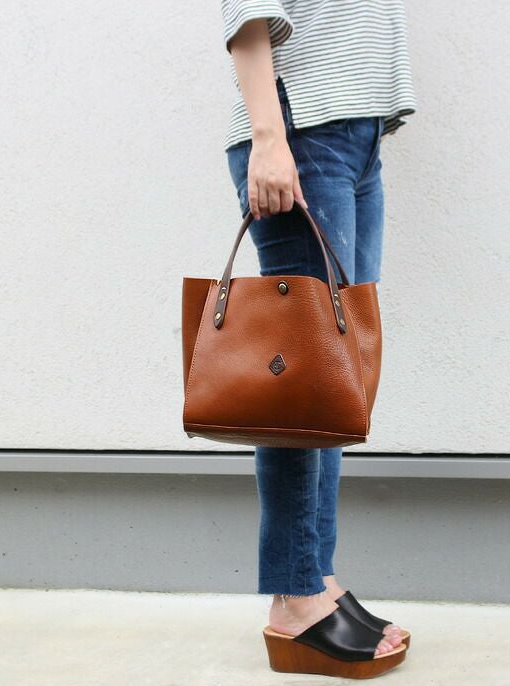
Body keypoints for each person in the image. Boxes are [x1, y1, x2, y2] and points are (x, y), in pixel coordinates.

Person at [221, 0, 417, 676]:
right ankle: (295, 595)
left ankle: (316, 578)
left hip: (354, 139)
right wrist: (269, 138)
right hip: (303, 133)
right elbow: (247, 11)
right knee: (300, 388)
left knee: (332, 385)